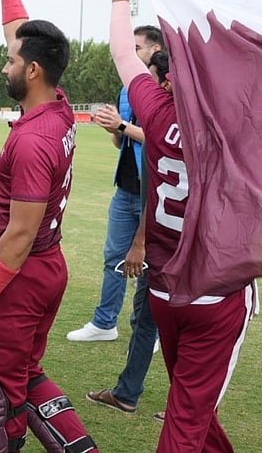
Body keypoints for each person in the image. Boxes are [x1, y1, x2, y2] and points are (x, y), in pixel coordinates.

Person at [109, 0, 254, 452]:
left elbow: (124, 57)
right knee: (187, 415)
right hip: (216, 296)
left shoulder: (156, 111)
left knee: (191, 400)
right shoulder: (233, 126)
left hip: (166, 289)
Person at [0, 0, 98, 453]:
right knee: (27, 374)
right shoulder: (56, 106)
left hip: (18, 272)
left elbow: (18, 233)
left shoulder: (34, 140)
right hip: (46, 265)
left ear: (32, 70)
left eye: (12, 61)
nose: (5, 63)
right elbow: (22, 34)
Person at [85, 50, 169, 418]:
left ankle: (189, 404)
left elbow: (164, 188)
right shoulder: (172, 121)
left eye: (149, 75)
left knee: (169, 316)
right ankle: (127, 392)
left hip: (173, 240)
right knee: (147, 314)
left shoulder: (173, 126)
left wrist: (140, 242)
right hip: (160, 229)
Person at [67, 26, 163, 342]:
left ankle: (149, 332)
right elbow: (120, 143)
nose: (130, 54)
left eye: (137, 48)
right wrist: (114, 128)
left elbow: (163, 139)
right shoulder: (127, 89)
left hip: (156, 192)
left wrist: (122, 125)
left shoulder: (167, 90)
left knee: (153, 267)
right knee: (114, 257)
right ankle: (105, 323)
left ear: (156, 50)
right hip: (125, 189)